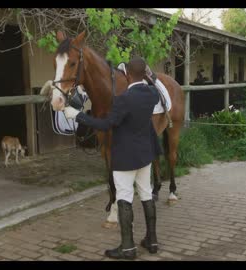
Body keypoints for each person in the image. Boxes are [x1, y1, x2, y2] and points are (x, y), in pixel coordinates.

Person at [63, 56, 162, 260]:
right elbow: (153, 83)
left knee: (124, 197)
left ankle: (127, 248)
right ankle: (152, 241)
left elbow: (106, 124)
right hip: (145, 156)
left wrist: (77, 115)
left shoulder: (123, 100)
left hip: (125, 158)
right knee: (146, 194)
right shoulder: (152, 94)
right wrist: (149, 76)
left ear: (126, 75)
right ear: (144, 74)